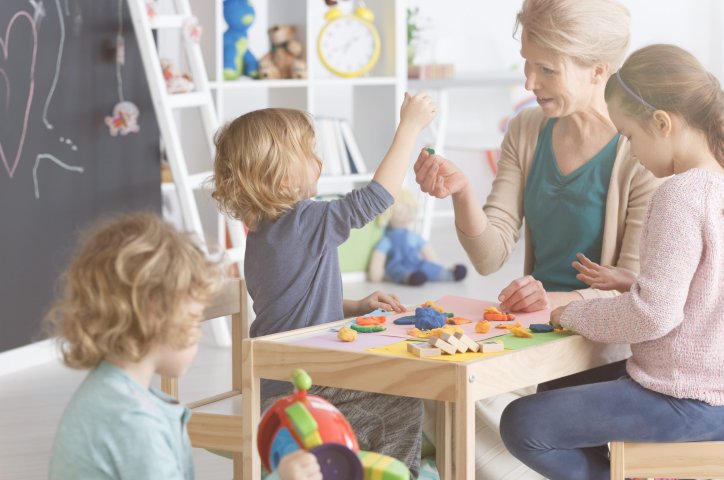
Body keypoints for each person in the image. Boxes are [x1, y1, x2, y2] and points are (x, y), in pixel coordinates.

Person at [414, 0, 660, 477]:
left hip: (598, 345)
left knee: (475, 411)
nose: (529, 83)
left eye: (546, 69)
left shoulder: (642, 151)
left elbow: (633, 291)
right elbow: (490, 256)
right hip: (533, 333)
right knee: (432, 387)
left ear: (598, 70)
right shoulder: (527, 129)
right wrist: (462, 192)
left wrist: (551, 300)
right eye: (526, 64)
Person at [499, 43, 724, 480]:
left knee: (522, 423)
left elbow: (653, 317)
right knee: (555, 389)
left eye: (631, 136)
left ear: (662, 123)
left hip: (690, 398)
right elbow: (709, 286)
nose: (631, 150)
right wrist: (632, 282)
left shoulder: (679, 195)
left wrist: (573, 314)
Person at [211, 94, 436, 478]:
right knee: (404, 398)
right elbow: (375, 198)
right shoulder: (305, 220)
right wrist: (410, 127)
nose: (320, 160)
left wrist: (352, 306)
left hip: (276, 382)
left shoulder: (262, 233)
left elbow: (291, 303)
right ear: (285, 179)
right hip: (310, 385)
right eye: (311, 152)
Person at [47, 213, 221, 479]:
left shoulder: (111, 394)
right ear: (154, 313)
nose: (199, 333)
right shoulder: (133, 422)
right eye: (195, 319)